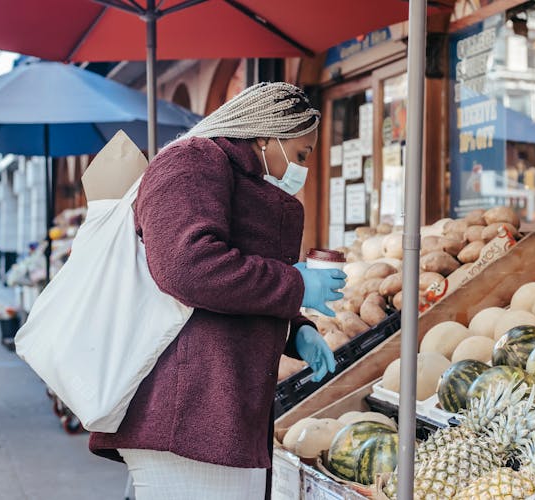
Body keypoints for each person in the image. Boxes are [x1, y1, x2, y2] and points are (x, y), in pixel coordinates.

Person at [89, 82, 345, 499]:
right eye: (300, 155)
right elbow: (188, 267)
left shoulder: (227, 171)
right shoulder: (192, 160)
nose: (302, 170)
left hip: (211, 409)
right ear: (266, 135)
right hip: (185, 409)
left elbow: (234, 271)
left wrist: (294, 328)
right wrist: (295, 284)